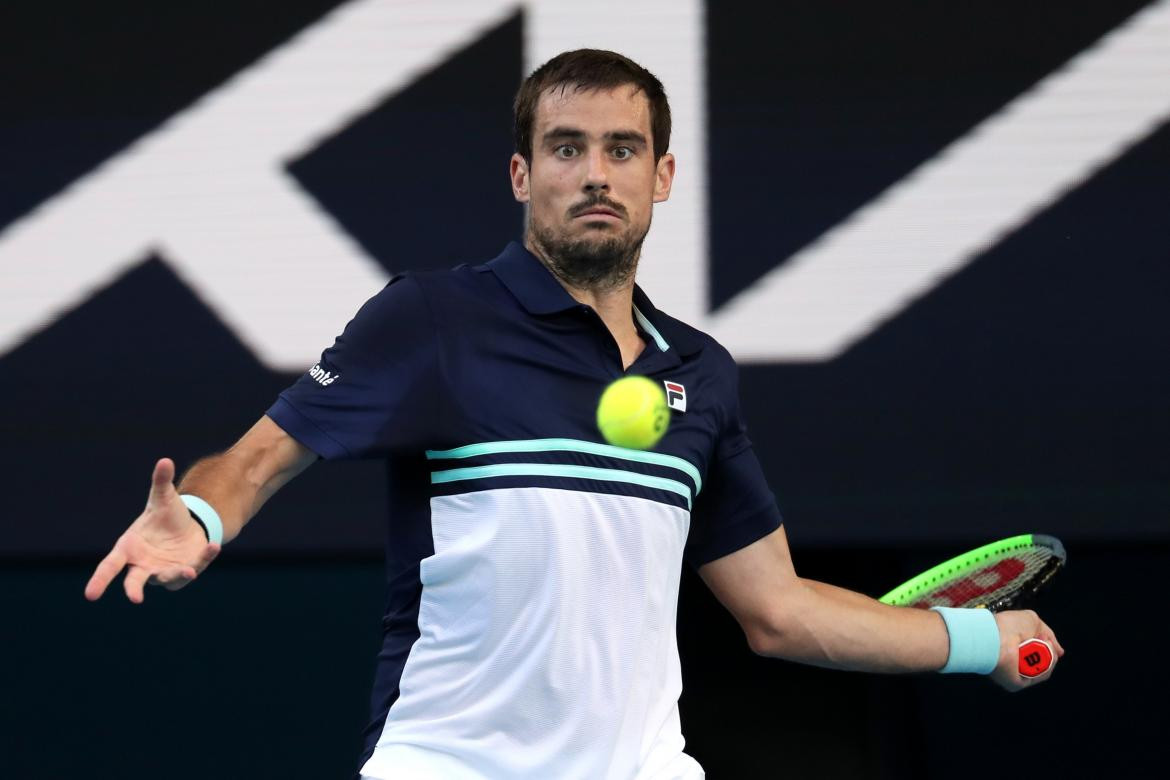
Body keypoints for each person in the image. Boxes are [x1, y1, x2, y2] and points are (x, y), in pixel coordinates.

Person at [84, 49, 1063, 779]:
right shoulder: (432, 320)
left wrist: (985, 642)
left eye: (622, 149)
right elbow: (254, 463)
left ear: (661, 178)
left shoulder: (702, 375)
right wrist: (202, 517)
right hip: (446, 764)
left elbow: (780, 612)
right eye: (567, 148)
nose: (596, 172)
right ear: (524, 176)